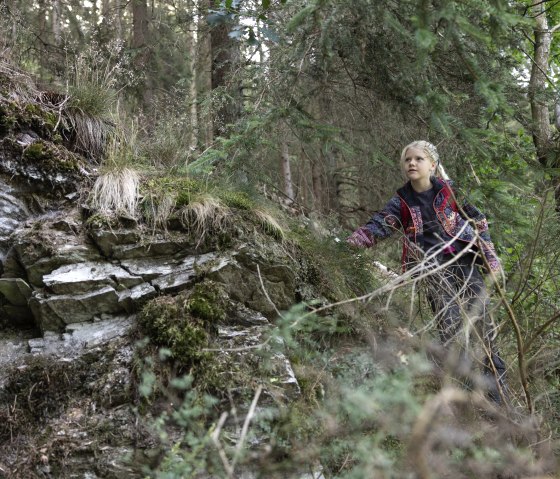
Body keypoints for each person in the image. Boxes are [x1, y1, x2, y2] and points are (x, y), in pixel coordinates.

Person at [347, 140, 507, 405]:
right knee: (452, 332)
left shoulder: (450, 191)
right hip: (432, 272)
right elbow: (379, 225)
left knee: (485, 330)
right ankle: (466, 398)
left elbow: (478, 220)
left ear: (432, 165)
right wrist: (350, 244)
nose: (412, 163)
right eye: (407, 160)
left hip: (465, 265)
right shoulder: (402, 202)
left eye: (419, 159)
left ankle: (499, 400)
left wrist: (490, 255)